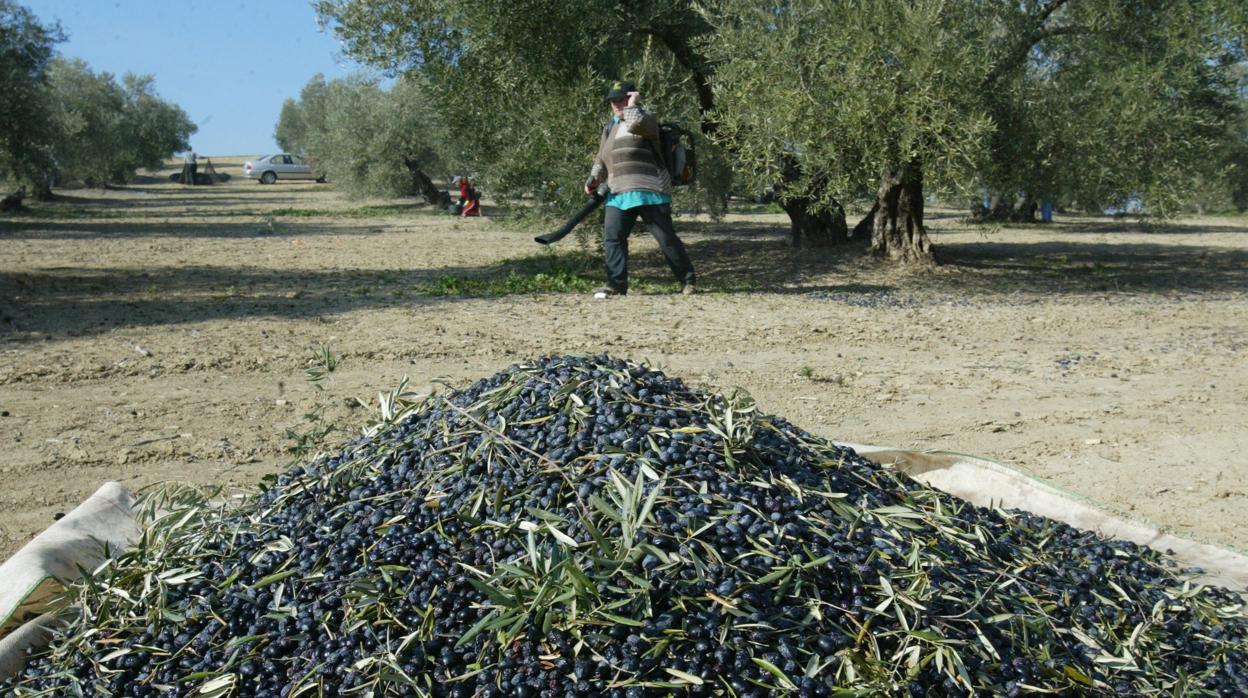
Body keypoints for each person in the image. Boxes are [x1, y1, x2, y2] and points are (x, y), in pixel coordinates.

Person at [585, 80, 695, 298]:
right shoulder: (610, 127)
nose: (617, 103)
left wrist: (633, 104)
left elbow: (636, 124)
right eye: (613, 100)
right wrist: (594, 176)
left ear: (632, 97)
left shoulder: (646, 119)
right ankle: (616, 285)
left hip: (650, 190)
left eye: (622, 98)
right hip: (618, 192)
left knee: (666, 239)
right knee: (613, 238)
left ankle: (688, 281)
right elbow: (602, 155)